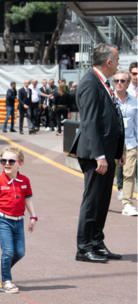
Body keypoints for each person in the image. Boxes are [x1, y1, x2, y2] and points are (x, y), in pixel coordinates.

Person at [69, 43, 125, 263]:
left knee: (103, 200)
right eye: (117, 60)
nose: (118, 64)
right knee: (92, 200)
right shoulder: (90, 83)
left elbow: (110, 119)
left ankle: (97, 242)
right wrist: (99, 155)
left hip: (107, 153)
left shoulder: (101, 81)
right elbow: (90, 122)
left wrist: (116, 151)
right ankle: (84, 247)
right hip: (95, 155)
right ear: (109, 62)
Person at [0, 146, 37, 293]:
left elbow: (28, 200)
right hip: (3, 220)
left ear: (20, 164)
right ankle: (6, 280)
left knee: (19, 253)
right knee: (8, 251)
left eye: (11, 161)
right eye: (3, 160)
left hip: (19, 221)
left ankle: (4, 269)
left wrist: (33, 217)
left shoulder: (25, 180)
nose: (7, 163)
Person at [113, 70, 138, 216]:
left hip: (130, 143)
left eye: (122, 81)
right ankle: (100, 203)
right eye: (116, 81)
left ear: (128, 83)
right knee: (108, 175)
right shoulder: (110, 100)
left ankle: (127, 204)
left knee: (129, 174)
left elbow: (136, 124)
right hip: (113, 144)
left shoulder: (135, 101)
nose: (119, 84)